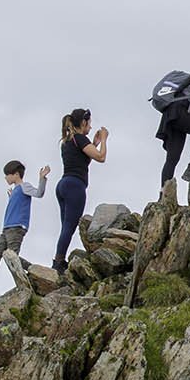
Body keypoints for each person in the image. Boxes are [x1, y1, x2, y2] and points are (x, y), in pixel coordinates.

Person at [0, 160, 51, 296]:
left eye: (8, 174)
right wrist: (11, 198)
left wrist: (42, 178)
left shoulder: (24, 186)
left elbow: (39, 193)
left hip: (17, 227)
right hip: (7, 228)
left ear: (16, 174)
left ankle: (31, 274)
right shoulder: (15, 191)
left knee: (12, 258)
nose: (6, 177)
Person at [53, 112, 109, 272]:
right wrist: (104, 140)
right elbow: (101, 157)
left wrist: (95, 142)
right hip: (75, 186)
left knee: (65, 227)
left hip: (63, 185)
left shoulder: (67, 141)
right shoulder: (79, 138)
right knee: (69, 227)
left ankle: (59, 259)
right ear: (83, 123)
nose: (91, 127)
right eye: (89, 123)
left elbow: (82, 159)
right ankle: (58, 263)